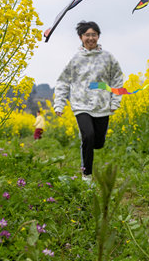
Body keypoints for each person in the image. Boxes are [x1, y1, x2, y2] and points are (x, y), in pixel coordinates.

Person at [53, 21, 125, 184]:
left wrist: (115, 101)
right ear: (81, 37)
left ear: (98, 36)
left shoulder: (108, 57)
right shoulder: (75, 59)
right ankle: (86, 175)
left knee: (98, 143)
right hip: (81, 105)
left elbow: (117, 79)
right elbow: (63, 81)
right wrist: (59, 104)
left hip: (102, 105)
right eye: (87, 35)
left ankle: (88, 141)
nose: (90, 38)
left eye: (94, 34)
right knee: (88, 136)